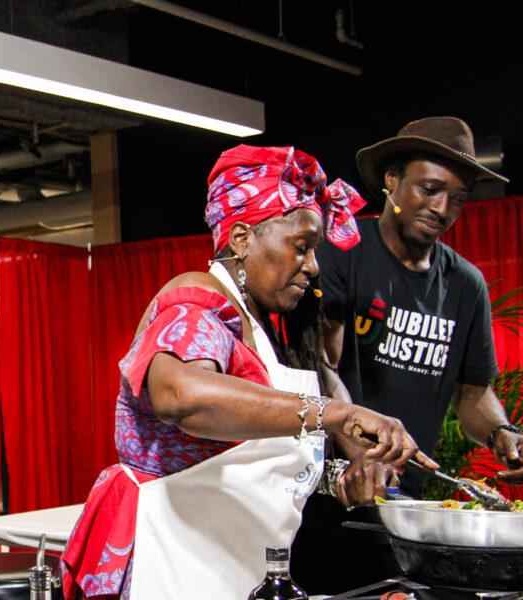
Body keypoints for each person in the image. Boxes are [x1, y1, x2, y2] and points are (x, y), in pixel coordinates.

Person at [60, 145, 436, 600]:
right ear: (242, 238)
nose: (314, 267)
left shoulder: (260, 331)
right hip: (173, 564)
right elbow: (181, 395)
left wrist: (340, 480)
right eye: (302, 247)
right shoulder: (196, 300)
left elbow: (248, 462)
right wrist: (335, 414)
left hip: (230, 567)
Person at [291, 117, 523, 593]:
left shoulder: (465, 285)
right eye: (429, 188)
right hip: (331, 503)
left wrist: (502, 433)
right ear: (392, 180)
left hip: (408, 518)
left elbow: (474, 393)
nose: (442, 207)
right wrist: (362, 449)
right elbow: (320, 365)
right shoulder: (344, 253)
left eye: (458, 199)